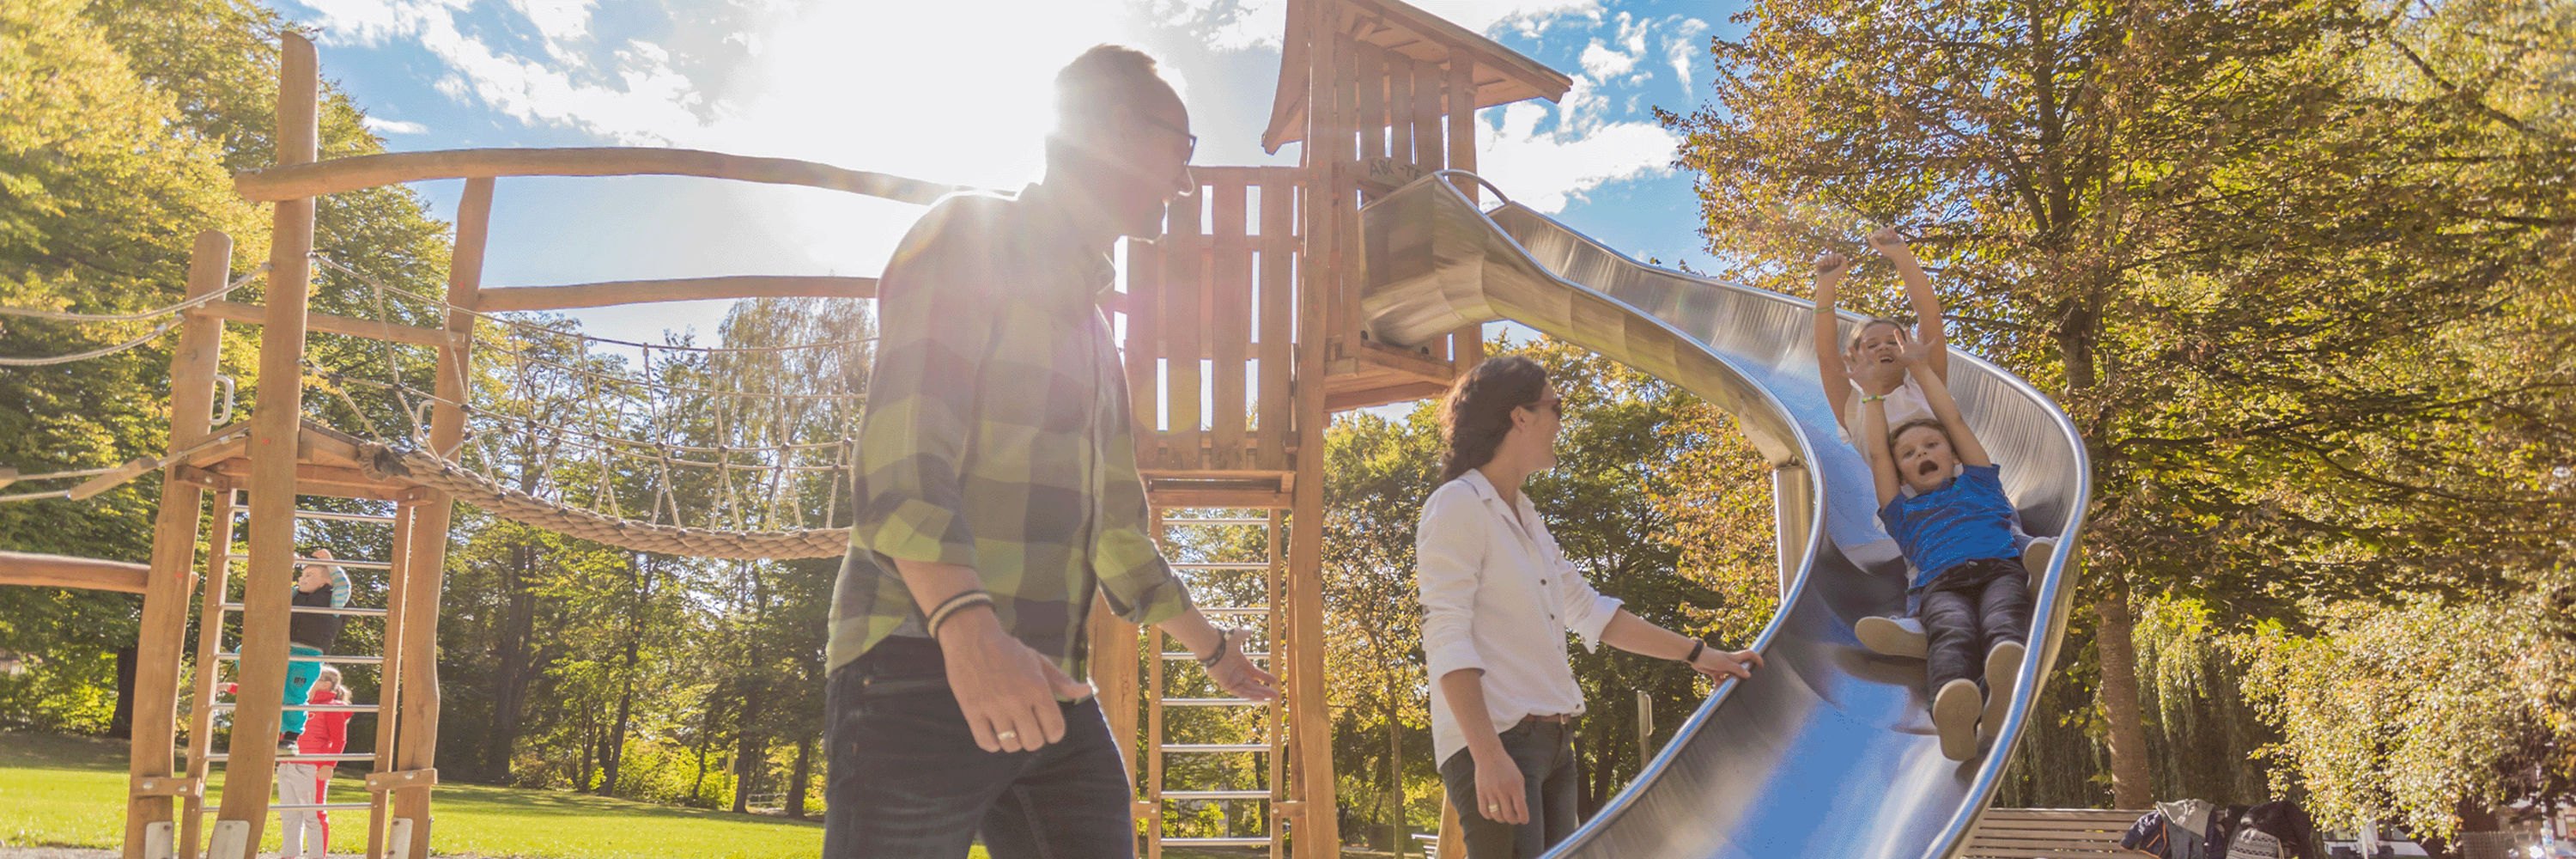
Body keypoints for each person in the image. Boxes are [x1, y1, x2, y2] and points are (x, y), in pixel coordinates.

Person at [823, 45, 1277, 859]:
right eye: (1182, 148)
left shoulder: (1099, 336)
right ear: (1115, 129)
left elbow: (1118, 538)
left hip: (1053, 688)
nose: (1185, 180)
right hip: (919, 663)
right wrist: (969, 631)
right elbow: (902, 462)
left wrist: (1215, 652)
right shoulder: (970, 234)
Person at [1415, 356, 1764, 858]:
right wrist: (1486, 754)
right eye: (1557, 406)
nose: (1562, 420)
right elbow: (1445, 633)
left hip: (1556, 743)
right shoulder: (1458, 504)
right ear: (1521, 416)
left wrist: (1700, 654)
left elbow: (1591, 611)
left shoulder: (1527, 517)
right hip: (1503, 742)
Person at [1858, 338, 2032, 760]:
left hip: (1998, 568)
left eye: (1931, 446)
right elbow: (1878, 453)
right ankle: (1952, 712)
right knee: (1952, 634)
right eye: (1910, 454)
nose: (1922, 454)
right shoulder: (1901, 511)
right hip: (1942, 585)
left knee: (2001, 620)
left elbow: (1953, 420)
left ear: (1953, 456)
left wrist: (1921, 369)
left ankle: (2001, 693)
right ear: (1901, 472)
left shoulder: (1980, 483)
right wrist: (1871, 396)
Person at [277, 667, 352, 859]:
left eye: (311, 679)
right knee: (289, 815)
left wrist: (330, 765)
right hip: (288, 766)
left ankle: (317, 856)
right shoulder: (299, 705)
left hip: (311, 769)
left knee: (314, 816)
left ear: (325, 685)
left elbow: (339, 739)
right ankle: (289, 855)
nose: (302, 683)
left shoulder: (332, 708)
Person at [283, 548, 348, 752]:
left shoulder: (333, 600)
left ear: (326, 582)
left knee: (295, 695)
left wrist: (330, 563)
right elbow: (276, 588)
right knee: (242, 651)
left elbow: (344, 585)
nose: (302, 579)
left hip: (308, 656)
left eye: (309, 575)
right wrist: (289, 565)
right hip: (283, 651)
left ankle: (290, 738)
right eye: (301, 574)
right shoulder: (295, 596)